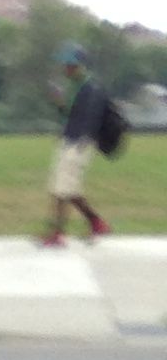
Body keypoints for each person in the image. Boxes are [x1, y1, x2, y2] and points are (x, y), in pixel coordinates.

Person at [39, 45, 115, 244]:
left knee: (62, 188)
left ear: (79, 65)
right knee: (67, 188)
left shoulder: (91, 88)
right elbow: (71, 115)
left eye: (69, 64)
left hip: (79, 143)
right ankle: (96, 223)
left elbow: (90, 119)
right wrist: (59, 103)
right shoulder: (76, 87)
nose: (65, 68)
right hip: (71, 140)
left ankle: (57, 234)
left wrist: (79, 142)